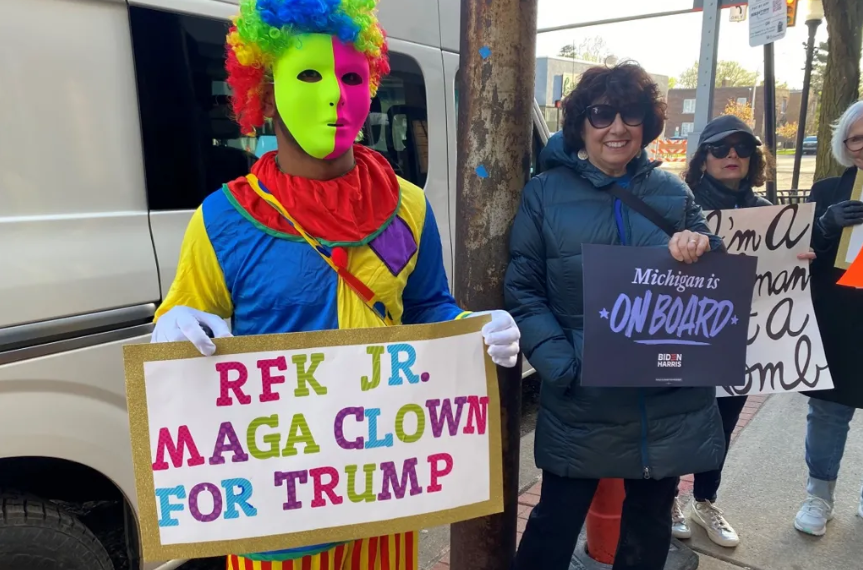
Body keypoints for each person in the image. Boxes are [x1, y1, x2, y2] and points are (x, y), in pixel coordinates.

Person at [148, 1, 521, 568]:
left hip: (383, 496)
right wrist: (174, 329)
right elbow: (184, 332)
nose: (335, 96)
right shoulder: (222, 219)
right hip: (276, 520)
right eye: (309, 75)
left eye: (350, 76)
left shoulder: (410, 207)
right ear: (267, 92)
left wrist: (469, 329)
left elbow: (427, 307)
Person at [505, 61, 726, 570]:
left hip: (665, 397)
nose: (617, 127)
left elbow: (712, 273)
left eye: (631, 113)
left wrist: (701, 246)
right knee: (553, 523)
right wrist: (564, 366)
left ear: (647, 124)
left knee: (647, 529)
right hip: (585, 398)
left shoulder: (674, 192)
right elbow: (524, 291)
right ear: (582, 122)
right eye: (602, 114)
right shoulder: (544, 194)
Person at [671, 115, 773, 548]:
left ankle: (704, 499)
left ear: (753, 158)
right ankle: (668, 498)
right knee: (677, 419)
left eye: (742, 148)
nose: (732, 155)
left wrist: (807, 252)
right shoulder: (679, 206)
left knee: (723, 423)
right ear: (703, 157)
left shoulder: (773, 216)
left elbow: (783, 277)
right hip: (688, 335)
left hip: (745, 339)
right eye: (720, 148)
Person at [794, 100, 863, 537]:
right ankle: (819, 495)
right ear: (845, 145)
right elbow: (798, 258)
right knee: (827, 412)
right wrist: (823, 224)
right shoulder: (827, 191)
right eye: (856, 138)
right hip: (839, 320)